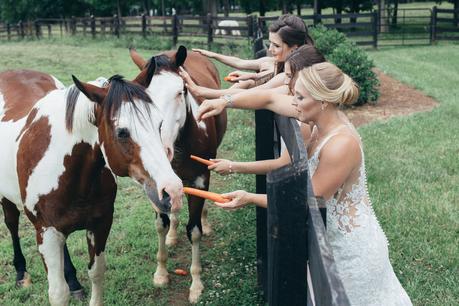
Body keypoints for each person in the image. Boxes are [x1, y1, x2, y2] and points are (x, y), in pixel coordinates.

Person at [196, 62, 413, 305]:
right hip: (327, 235)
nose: (293, 102)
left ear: (322, 101)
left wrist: (248, 198)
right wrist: (224, 101)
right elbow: (267, 99)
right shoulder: (319, 118)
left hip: (350, 249)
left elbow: (306, 203)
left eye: (299, 97)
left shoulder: (340, 145)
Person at [184, 44, 325, 176]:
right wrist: (224, 101)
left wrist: (233, 167)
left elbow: (312, 191)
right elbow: (266, 98)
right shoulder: (301, 101)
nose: (286, 81)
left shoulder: (307, 112)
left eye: (288, 76)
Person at [188, 14, 313, 97]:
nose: (270, 49)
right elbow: (239, 62)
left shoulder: (285, 76)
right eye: (270, 43)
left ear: (294, 48)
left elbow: (253, 94)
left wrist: (202, 91)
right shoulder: (280, 63)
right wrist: (212, 54)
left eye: (277, 46)